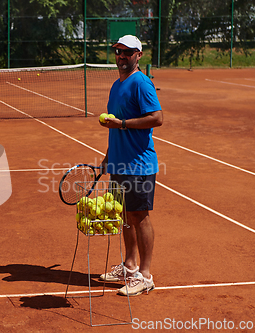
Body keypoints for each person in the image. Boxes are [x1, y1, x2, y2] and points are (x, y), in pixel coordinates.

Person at [98, 35, 163, 296]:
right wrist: (108, 155)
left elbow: (157, 118)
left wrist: (123, 124)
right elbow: (114, 124)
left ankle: (145, 275)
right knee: (124, 215)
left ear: (139, 55)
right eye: (118, 52)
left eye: (127, 52)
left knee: (140, 216)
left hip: (139, 164)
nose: (121, 56)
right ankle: (130, 265)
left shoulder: (141, 83)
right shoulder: (116, 85)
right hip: (120, 161)